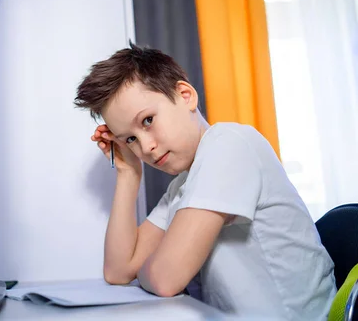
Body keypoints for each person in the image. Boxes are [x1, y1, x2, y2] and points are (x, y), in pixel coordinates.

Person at [73, 43, 337, 319]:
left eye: (148, 120)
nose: (146, 147)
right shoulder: (182, 186)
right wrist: (129, 173)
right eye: (130, 139)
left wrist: (148, 269)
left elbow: (166, 279)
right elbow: (118, 271)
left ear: (185, 95)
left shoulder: (229, 144)